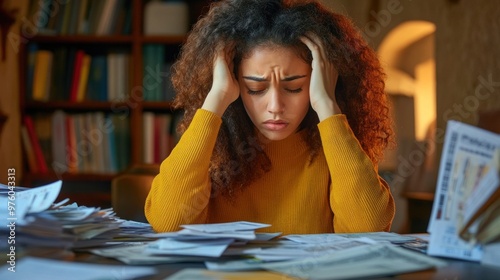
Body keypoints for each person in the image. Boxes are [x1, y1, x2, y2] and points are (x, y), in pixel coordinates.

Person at [145, 0, 395, 235]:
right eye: (255, 89)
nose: (275, 106)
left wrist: (328, 105)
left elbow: (370, 228)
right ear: (234, 82)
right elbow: (168, 223)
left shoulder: (335, 144)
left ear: (322, 81)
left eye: (295, 87)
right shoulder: (213, 147)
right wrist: (216, 99)